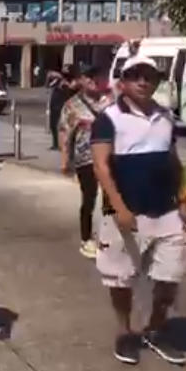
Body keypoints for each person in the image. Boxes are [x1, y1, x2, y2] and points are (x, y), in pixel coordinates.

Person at [91, 54, 186, 366]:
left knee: (170, 276)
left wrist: (184, 199)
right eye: (136, 75)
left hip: (166, 211)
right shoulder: (108, 118)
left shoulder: (164, 116)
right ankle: (125, 332)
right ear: (122, 81)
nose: (143, 81)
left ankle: (156, 328)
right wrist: (120, 207)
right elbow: (101, 167)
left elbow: (172, 160)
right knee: (120, 278)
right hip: (123, 210)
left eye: (149, 76)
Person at [58, 64, 112, 259]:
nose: (94, 81)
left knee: (110, 196)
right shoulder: (72, 105)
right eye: (89, 78)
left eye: (97, 77)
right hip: (85, 157)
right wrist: (65, 159)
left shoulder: (111, 102)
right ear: (81, 80)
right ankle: (86, 238)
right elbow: (65, 132)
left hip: (109, 156)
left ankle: (109, 236)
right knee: (89, 197)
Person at [47, 65, 79, 150]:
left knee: (66, 125)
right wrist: (56, 77)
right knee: (53, 124)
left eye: (66, 70)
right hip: (55, 104)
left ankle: (67, 144)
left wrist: (65, 83)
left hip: (66, 105)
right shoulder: (58, 79)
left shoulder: (73, 80)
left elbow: (73, 87)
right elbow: (49, 82)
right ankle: (55, 143)